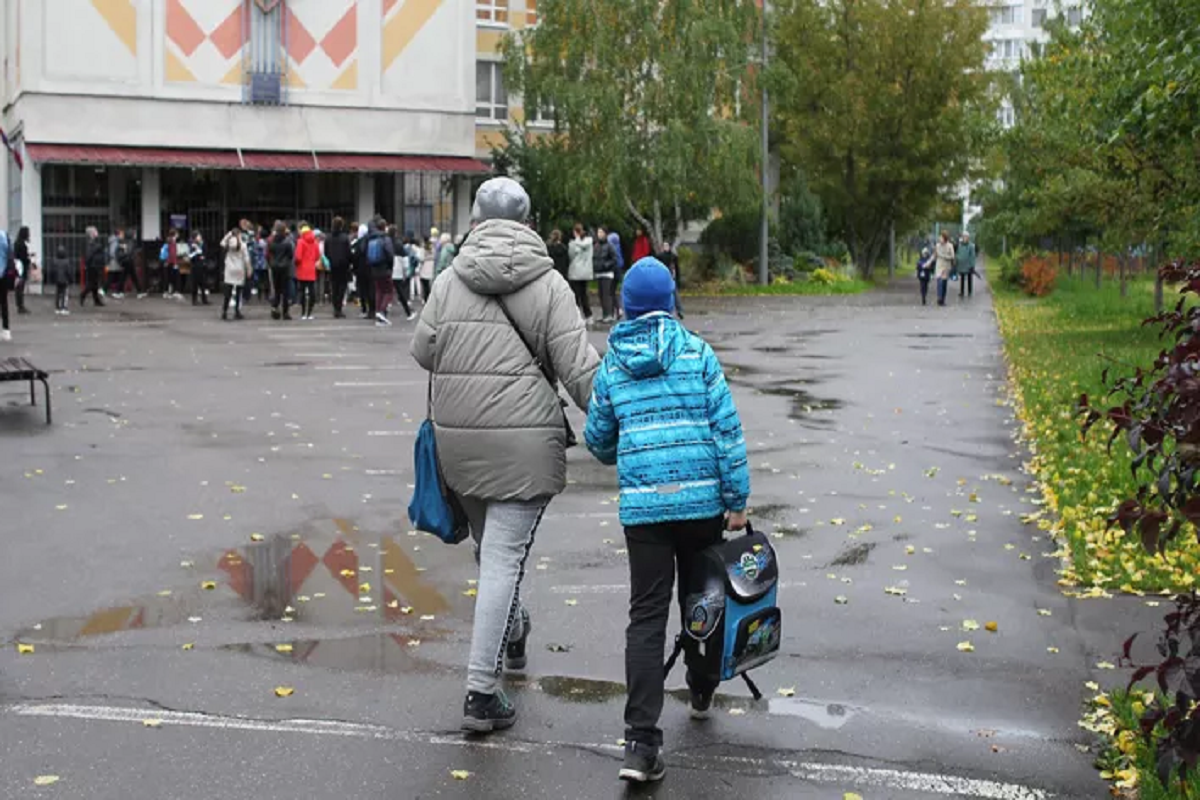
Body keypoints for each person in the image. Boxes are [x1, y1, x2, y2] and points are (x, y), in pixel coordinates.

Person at [411, 177, 600, 735]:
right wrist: (621, 423)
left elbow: (422, 351)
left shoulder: (448, 280)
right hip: (524, 448)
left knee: (493, 552)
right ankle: (480, 692)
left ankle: (513, 629)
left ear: (474, 221)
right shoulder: (550, 286)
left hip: (459, 445)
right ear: (528, 223)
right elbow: (580, 373)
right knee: (501, 559)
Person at [583, 257, 750, 784]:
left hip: (645, 512)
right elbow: (727, 430)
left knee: (646, 615)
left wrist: (630, 442)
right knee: (702, 600)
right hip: (702, 506)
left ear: (625, 306)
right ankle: (701, 686)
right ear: (671, 301)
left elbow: (597, 440)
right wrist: (737, 498)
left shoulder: (612, 364)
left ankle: (640, 743)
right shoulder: (698, 354)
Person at [366, 218, 397, 326]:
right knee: (389, 291)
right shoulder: (385, 238)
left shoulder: (371, 238)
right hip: (384, 268)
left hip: (374, 268)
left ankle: (378, 311)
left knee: (379, 291)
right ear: (384, 227)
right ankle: (382, 312)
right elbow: (389, 254)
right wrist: (390, 267)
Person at [220, 222, 250, 321]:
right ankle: (237, 311)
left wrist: (228, 235)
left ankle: (224, 311)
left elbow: (222, 243)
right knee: (238, 292)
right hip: (239, 269)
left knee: (228, 292)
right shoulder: (243, 245)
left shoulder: (229, 244)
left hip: (229, 269)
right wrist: (249, 269)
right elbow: (246, 258)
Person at [325, 217, 353, 318]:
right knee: (342, 287)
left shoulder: (328, 238)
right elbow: (349, 252)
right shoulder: (345, 238)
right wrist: (349, 261)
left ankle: (335, 308)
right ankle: (339, 308)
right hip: (343, 265)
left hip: (332, 265)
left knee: (334, 287)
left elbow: (326, 252)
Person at [268, 221, 295, 321]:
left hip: (274, 267)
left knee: (277, 289)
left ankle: (275, 308)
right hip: (284, 268)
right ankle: (285, 312)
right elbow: (291, 255)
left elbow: (269, 254)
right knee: (285, 291)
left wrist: (271, 263)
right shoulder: (287, 242)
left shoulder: (271, 242)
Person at [568, 223, 594, 322]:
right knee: (584, 295)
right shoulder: (589, 242)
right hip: (586, 272)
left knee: (576, 295)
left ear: (575, 232)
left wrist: (574, 242)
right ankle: (588, 316)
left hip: (575, 272)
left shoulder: (573, 243)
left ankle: (577, 317)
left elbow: (571, 256)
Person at [294, 224, 320, 320]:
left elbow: (298, 257)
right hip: (311, 270)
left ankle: (303, 313)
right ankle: (310, 313)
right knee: (311, 291)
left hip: (302, 270)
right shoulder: (315, 242)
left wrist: (297, 264)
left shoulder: (300, 241)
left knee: (302, 292)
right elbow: (317, 256)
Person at [593, 227, 618, 323]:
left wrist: (606, 265)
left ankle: (609, 315)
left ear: (605, 234)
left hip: (607, 273)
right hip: (599, 273)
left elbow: (614, 259)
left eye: (601, 232)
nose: (599, 234)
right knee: (601, 295)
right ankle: (604, 314)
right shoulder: (596, 246)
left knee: (607, 294)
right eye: (598, 232)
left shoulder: (609, 246)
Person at [81, 226, 106, 307]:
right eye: (95, 231)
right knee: (91, 284)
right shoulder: (91, 243)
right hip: (93, 266)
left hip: (95, 265)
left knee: (94, 284)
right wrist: (87, 265)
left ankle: (96, 300)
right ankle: (83, 295)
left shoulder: (94, 242)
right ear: (92, 233)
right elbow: (89, 255)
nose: (97, 232)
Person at [392, 234, 415, 321]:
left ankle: (382, 311)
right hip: (398, 273)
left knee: (385, 292)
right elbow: (405, 263)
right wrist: (406, 273)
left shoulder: (389, 244)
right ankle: (408, 312)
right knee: (401, 293)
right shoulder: (400, 248)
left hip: (389, 271)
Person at [657, 242, 683, 319]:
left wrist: (678, 278)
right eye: (664, 246)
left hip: (671, 277)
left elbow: (677, 268)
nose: (666, 247)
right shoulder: (660, 257)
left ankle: (679, 311)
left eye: (667, 246)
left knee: (675, 293)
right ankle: (663, 310)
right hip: (663, 277)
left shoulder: (673, 257)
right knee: (663, 294)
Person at [13, 226, 33, 314]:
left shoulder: (17, 243)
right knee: (20, 288)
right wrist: (29, 259)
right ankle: (21, 307)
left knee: (18, 288)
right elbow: (23, 257)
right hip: (22, 268)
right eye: (28, 233)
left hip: (17, 267)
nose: (29, 234)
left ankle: (19, 305)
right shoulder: (22, 245)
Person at [49, 245, 72, 315]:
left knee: (58, 294)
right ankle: (63, 308)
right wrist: (70, 279)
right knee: (64, 294)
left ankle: (57, 308)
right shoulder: (66, 262)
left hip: (57, 280)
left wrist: (53, 278)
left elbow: (53, 271)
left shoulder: (55, 261)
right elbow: (68, 271)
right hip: (64, 280)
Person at [934, 231, 955, 307]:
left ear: (945, 238)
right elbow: (935, 256)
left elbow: (952, 256)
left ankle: (943, 299)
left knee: (944, 284)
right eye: (940, 237)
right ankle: (939, 298)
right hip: (939, 266)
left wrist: (944, 256)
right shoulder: (937, 245)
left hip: (946, 267)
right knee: (939, 282)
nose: (940, 239)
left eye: (941, 237)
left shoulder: (950, 246)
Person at [189, 231, 210, 306]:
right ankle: (194, 300)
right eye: (198, 236)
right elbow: (190, 256)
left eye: (200, 236)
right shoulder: (192, 245)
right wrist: (196, 253)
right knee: (195, 284)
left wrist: (202, 256)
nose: (200, 237)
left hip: (202, 266)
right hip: (195, 266)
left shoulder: (203, 244)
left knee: (203, 284)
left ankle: (204, 299)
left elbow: (205, 253)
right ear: (195, 237)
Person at [957, 233, 977, 298]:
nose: (964, 238)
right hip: (962, 265)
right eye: (963, 237)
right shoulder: (960, 245)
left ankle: (969, 291)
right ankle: (962, 292)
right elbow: (958, 253)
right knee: (962, 278)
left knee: (969, 278)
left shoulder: (971, 246)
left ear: (968, 238)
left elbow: (973, 256)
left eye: (966, 237)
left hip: (968, 265)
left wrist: (972, 265)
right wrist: (957, 258)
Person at [107, 228, 125, 299]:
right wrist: (119, 257)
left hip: (116, 261)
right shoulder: (115, 241)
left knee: (117, 276)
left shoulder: (116, 241)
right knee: (114, 276)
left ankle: (119, 291)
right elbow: (112, 252)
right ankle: (104, 290)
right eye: (122, 234)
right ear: (118, 234)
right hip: (115, 261)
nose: (123, 235)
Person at [163, 229, 181, 299]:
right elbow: (172, 254)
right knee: (175, 277)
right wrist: (175, 263)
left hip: (167, 262)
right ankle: (175, 292)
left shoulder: (168, 240)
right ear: (175, 234)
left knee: (168, 278)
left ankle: (166, 292)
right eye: (177, 233)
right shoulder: (172, 242)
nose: (178, 235)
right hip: (171, 262)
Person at [0, 230, 11, 340]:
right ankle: (6, 329)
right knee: (4, 302)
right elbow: (10, 255)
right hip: (4, 274)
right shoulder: (4, 235)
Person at [418, 237, 436, 302]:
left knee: (424, 285)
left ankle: (425, 298)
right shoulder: (433, 249)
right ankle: (429, 298)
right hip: (431, 267)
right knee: (429, 285)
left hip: (424, 268)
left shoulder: (423, 249)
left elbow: (421, 258)